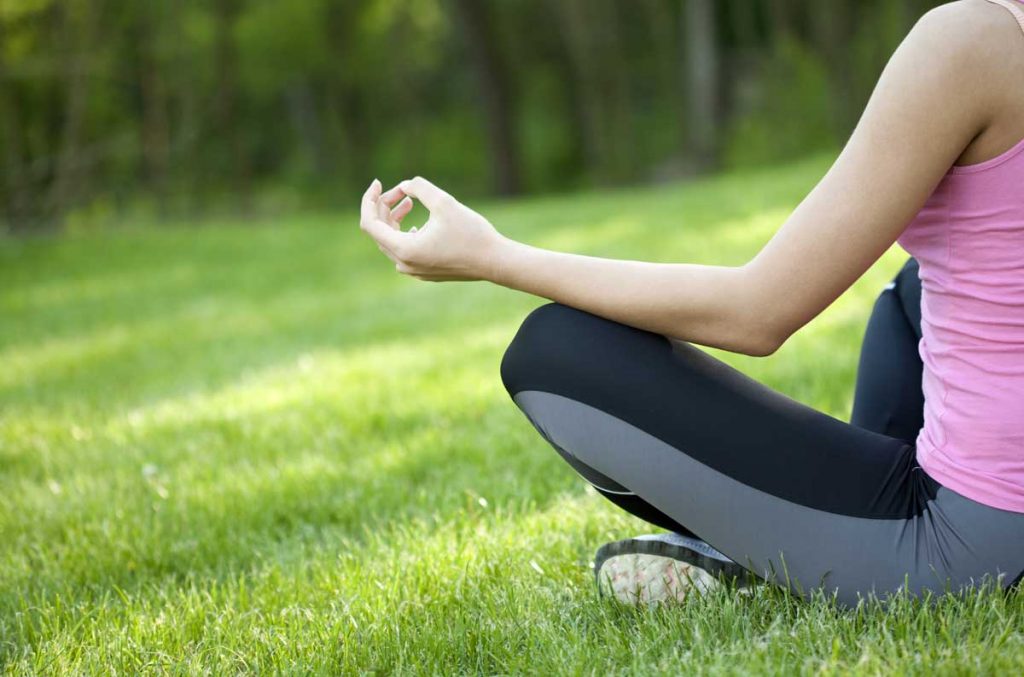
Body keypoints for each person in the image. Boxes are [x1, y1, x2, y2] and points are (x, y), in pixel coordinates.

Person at [358, 0, 1024, 607]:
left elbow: (759, 310)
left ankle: (789, 558)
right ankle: (813, 538)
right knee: (907, 296)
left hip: (965, 544)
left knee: (554, 353)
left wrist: (491, 255)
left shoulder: (971, 41)